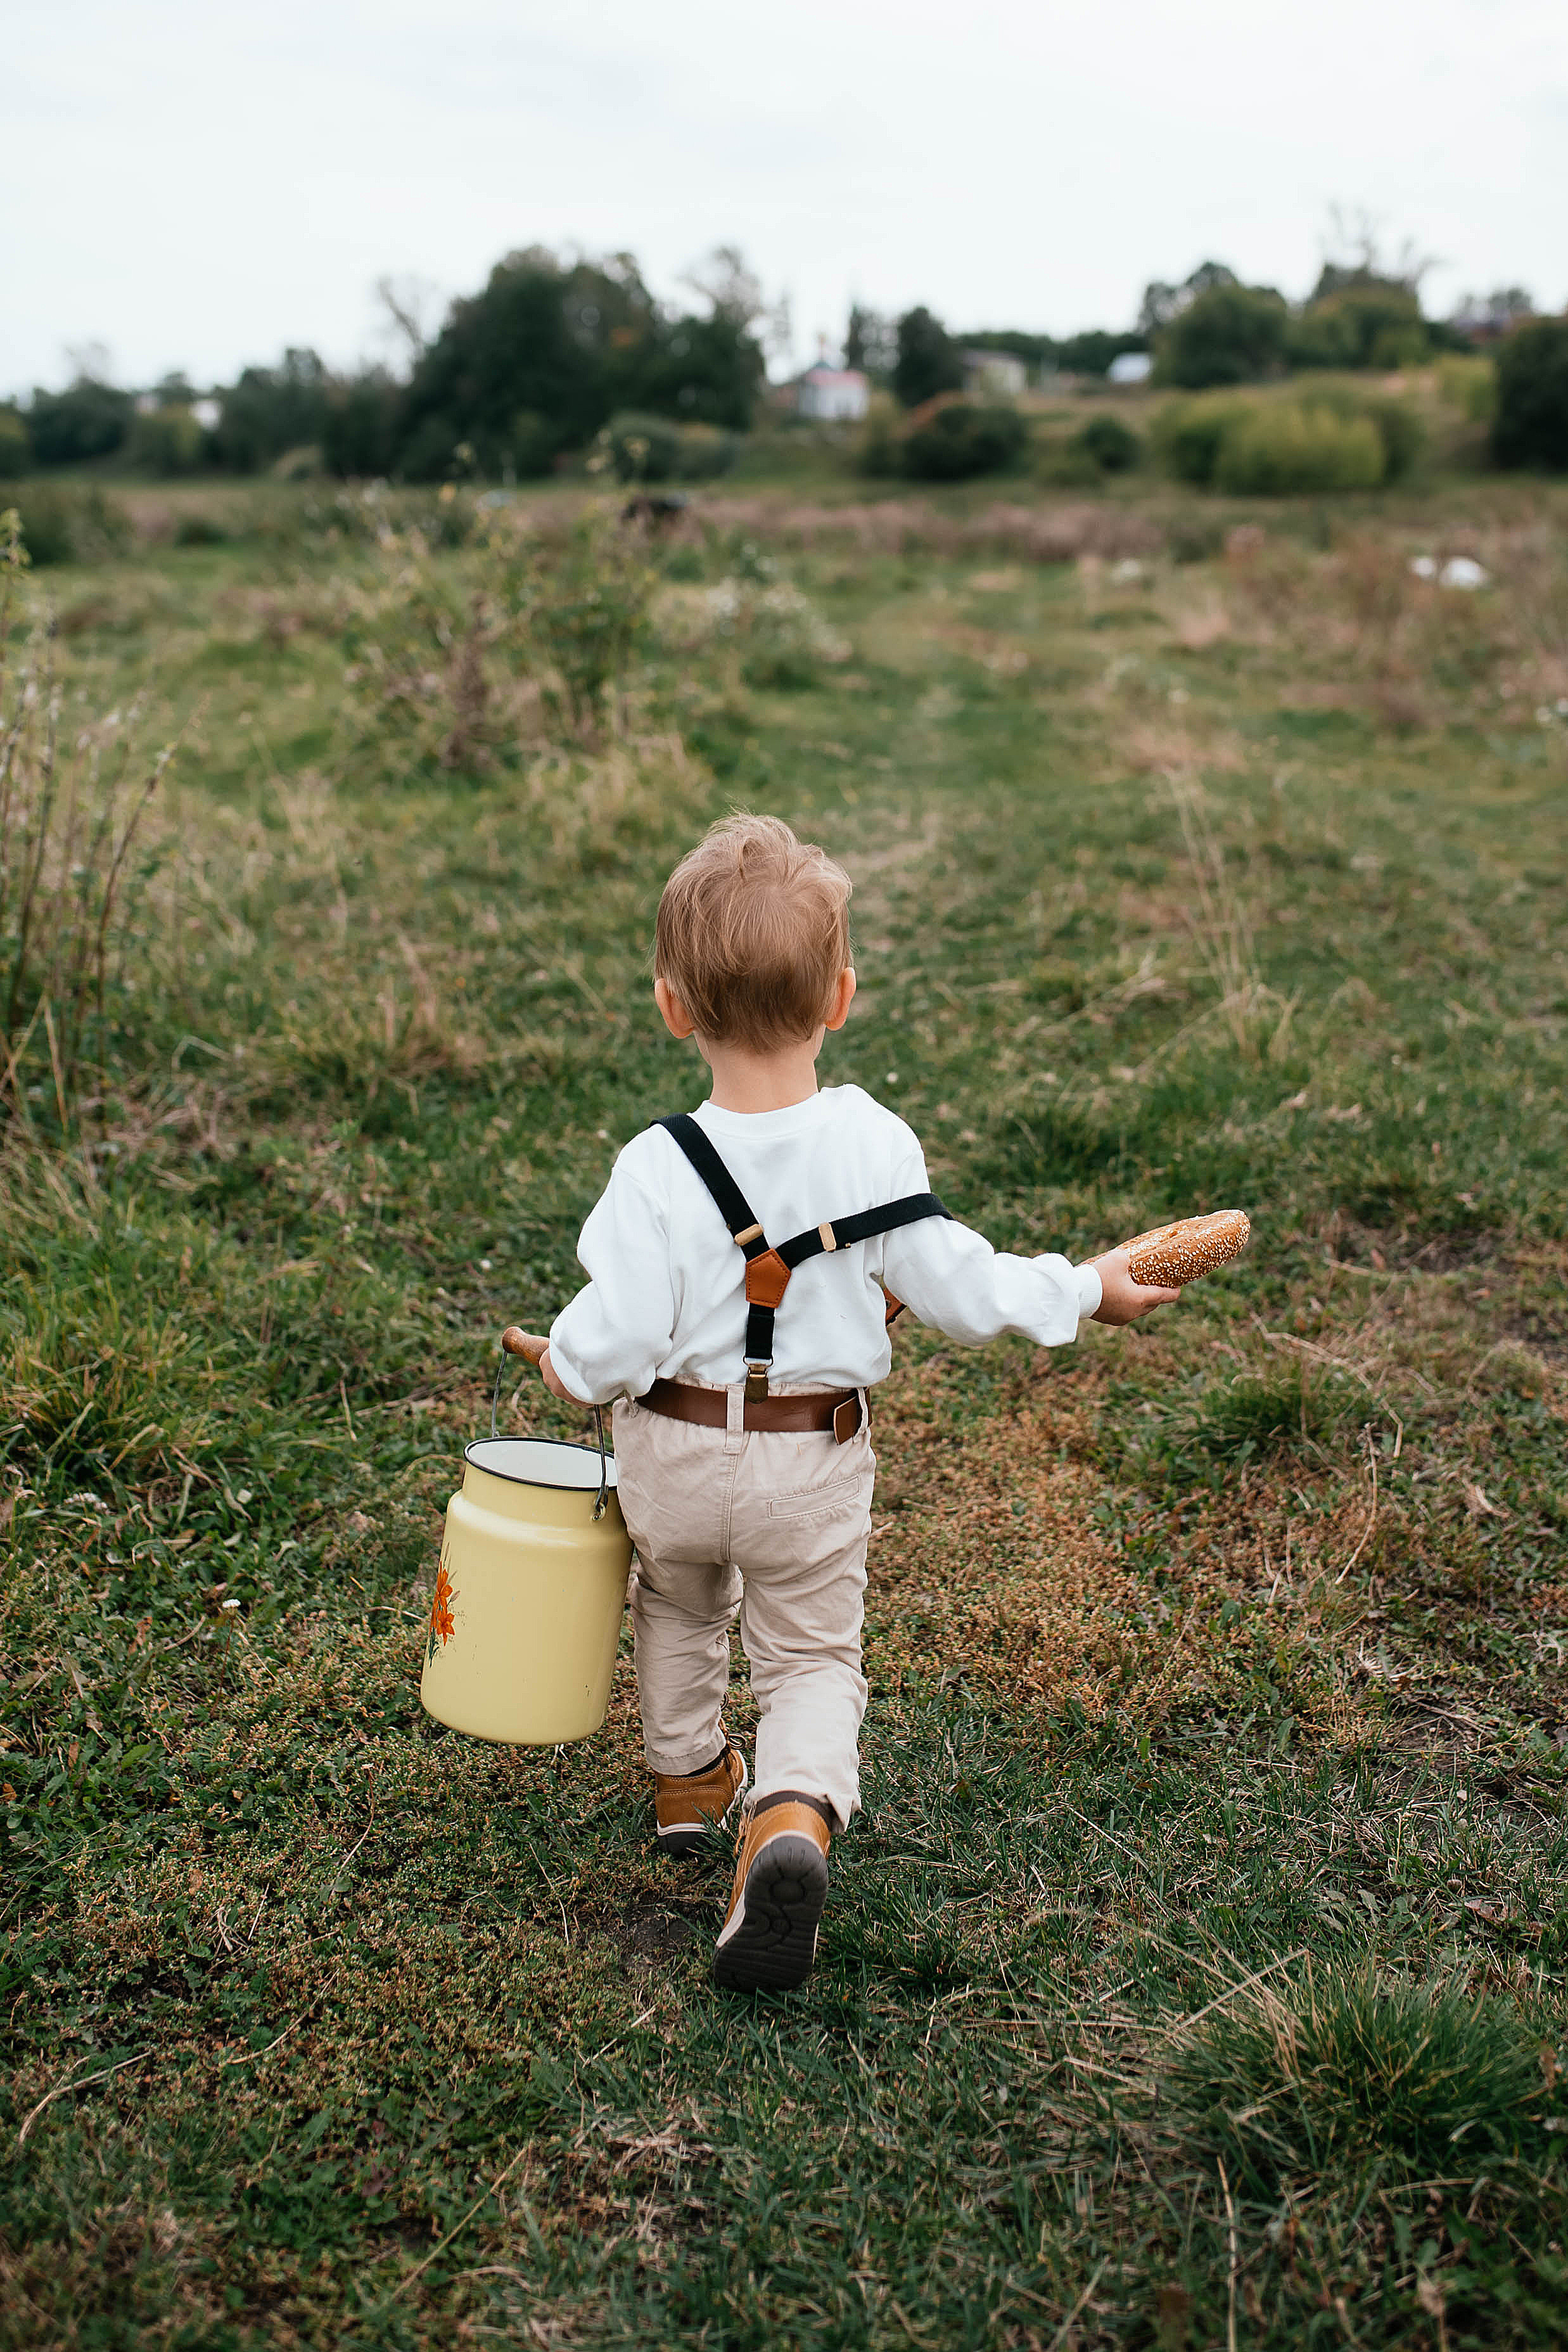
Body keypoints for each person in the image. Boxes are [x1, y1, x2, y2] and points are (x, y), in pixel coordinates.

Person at [536, 814, 1178, 1993]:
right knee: (812, 1659)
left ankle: (689, 1783)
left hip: (671, 1455)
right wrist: (1088, 1287)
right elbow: (964, 1290)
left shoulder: (655, 1163)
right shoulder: (873, 1143)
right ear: (841, 997)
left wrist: (567, 1367)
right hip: (809, 1461)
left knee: (674, 1600)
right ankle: (788, 1817)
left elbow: (617, 1327)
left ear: (672, 1007)